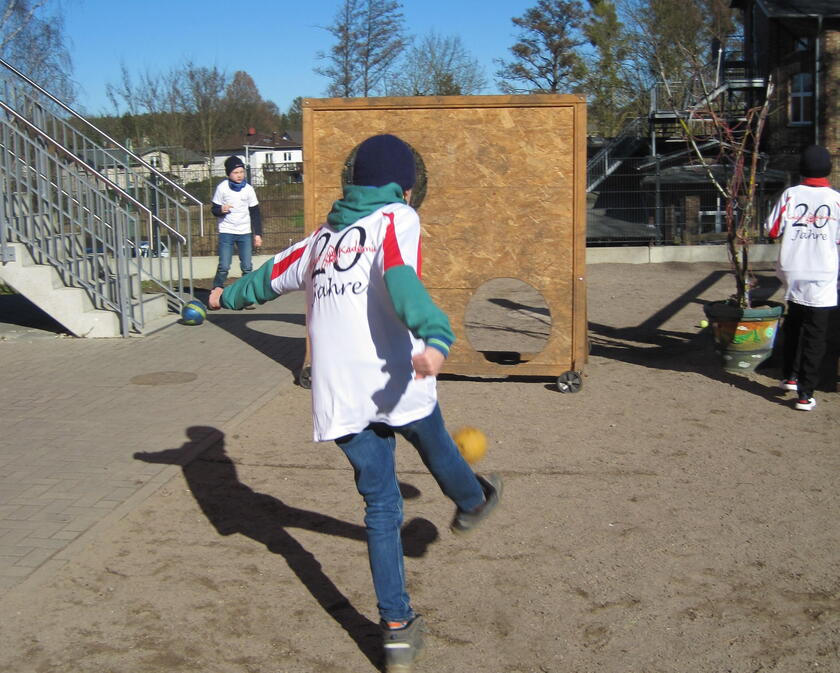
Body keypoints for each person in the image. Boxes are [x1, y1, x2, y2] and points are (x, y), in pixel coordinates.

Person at [208, 134, 502, 671]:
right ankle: (473, 501)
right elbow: (402, 278)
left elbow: (268, 277)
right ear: (403, 189)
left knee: (381, 506)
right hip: (395, 378)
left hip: (339, 392)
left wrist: (222, 296)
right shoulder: (396, 217)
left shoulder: (320, 239)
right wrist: (435, 334)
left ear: (353, 184)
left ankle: (396, 630)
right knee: (436, 445)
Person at [765, 144, 840, 411]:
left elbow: (771, 229)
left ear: (802, 169)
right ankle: (806, 395)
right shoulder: (836, 199)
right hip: (822, 272)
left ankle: (790, 377)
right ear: (828, 169)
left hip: (793, 269)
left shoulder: (791, 194)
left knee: (794, 323)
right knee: (816, 335)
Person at [211, 155, 263, 292]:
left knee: (247, 266)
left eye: (241, 172)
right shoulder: (222, 188)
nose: (239, 175)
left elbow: (255, 213)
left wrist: (258, 234)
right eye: (235, 172)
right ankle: (216, 289)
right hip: (226, 231)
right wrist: (221, 210)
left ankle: (246, 292)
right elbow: (214, 209)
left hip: (244, 232)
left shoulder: (248, 189)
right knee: (224, 266)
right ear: (229, 174)